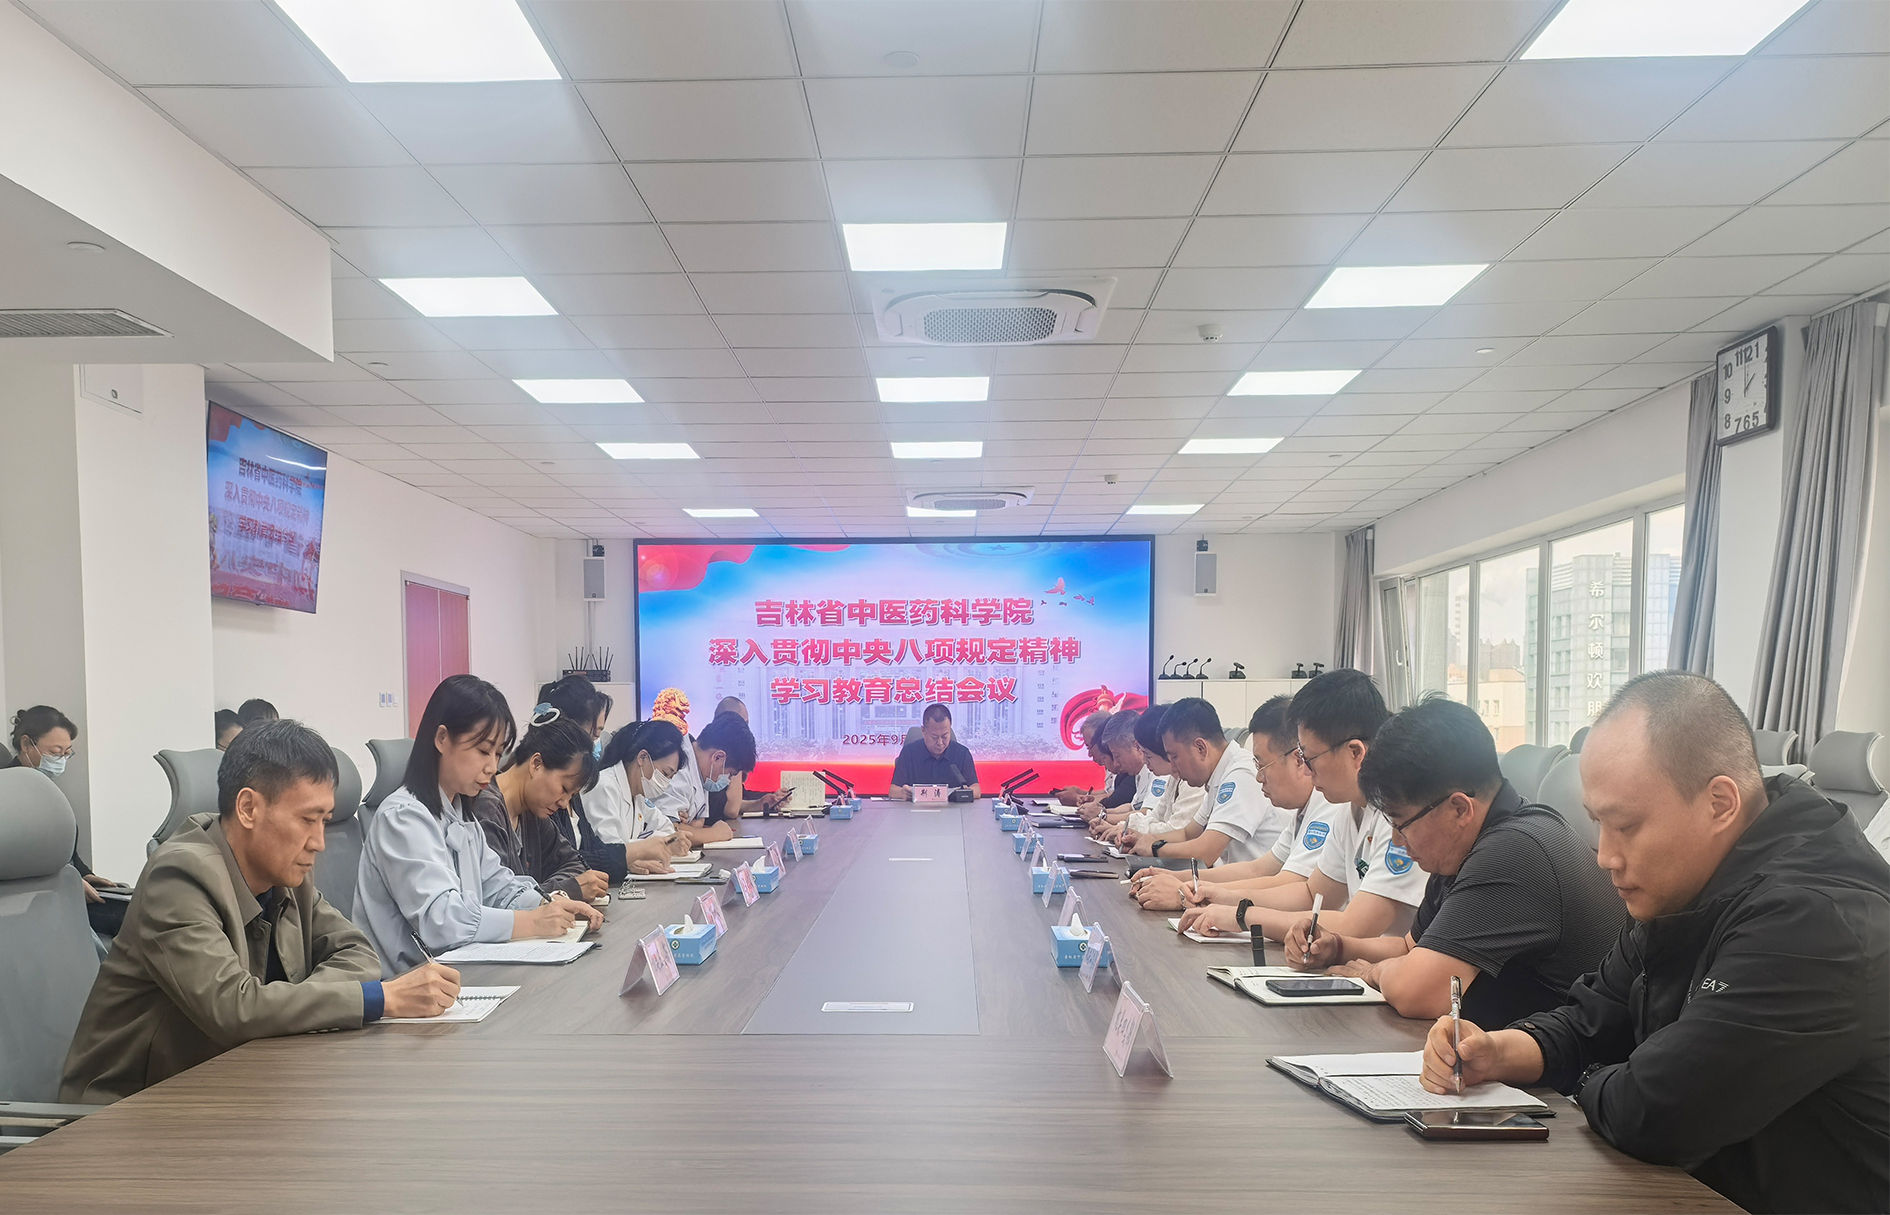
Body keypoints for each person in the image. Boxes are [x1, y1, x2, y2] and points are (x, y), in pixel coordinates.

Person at [1423, 672, 1890, 1213]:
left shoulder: (1815, 923)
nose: (1605, 856)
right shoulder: (1682, 887)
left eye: (1625, 826)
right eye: (1598, 824)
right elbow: (1593, 1017)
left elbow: (1656, 1112)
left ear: (1720, 803)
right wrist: (1500, 1051)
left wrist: (1588, 1078)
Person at [60, 721, 461, 1103]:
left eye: (324, 821)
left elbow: (358, 952)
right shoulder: (179, 877)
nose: (319, 842)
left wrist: (293, 1005)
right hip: (131, 1109)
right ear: (249, 808)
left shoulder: (286, 874)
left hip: (237, 1084)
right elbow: (234, 1008)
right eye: (307, 820)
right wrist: (377, 999)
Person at [1287, 696, 1623, 1024]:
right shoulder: (1467, 842)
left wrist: (1373, 972)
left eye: (1400, 823)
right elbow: (1409, 947)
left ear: (1459, 809)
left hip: (1568, 1059)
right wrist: (1337, 947)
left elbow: (1417, 992)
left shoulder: (1514, 852)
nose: (1397, 840)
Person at [356, 674, 602, 977]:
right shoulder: (402, 817)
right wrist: (531, 922)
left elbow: (499, 888)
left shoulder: (463, 814)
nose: (492, 766)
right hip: (406, 986)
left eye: (498, 754)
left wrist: (548, 903)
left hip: (457, 973)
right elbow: (441, 921)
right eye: (484, 751)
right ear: (442, 738)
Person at [1177, 669, 1427, 943]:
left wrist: (1242, 916)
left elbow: (1355, 925)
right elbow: (1312, 893)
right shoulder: (1350, 808)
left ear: (1355, 752)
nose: (1306, 770)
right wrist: (1222, 897)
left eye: (1309, 758)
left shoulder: (1398, 816)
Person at [1131, 696, 1335, 912]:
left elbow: (1292, 887)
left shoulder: (1243, 775)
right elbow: (1257, 869)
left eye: (1262, 765)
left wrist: (1190, 893)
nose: (1259, 777)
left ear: (1298, 760)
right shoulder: (1304, 808)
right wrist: (1176, 878)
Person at [1118, 698, 1286, 866]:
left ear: (1201, 748)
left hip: (1250, 879)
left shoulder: (1241, 774)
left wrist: (1155, 848)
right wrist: (1144, 839)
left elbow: (1206, 851)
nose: (1173, 767)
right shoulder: (1219, 774)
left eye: (1175, 757)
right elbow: (1188, 833)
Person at [6, 705, 128, 937]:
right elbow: (19, 860)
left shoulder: (47, 789)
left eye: (66, 753)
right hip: (34, 901)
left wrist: (84, 874)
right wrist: (63, 880)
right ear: (26, 744)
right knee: (133, 920)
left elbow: (65, 852)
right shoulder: (8, 791)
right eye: (55, 752)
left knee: (137, 907)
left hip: (64, 891)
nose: (61, 759)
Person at [470, 712, 611, 903]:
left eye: (571, 796)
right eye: (564, 789)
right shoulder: (487, 810)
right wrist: (563, 891)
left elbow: (575, 864)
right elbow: (499, 899)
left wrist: (543, 892)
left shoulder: (532, 813)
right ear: (536, 764)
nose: (564, 803)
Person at [586, 719, 695, 877]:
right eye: (665, 773)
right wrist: (640, 852)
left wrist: (672, 841)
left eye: (671, 777)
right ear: (642, 758)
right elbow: (610, 849)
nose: (666, 783)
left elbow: (667, 829)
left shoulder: (638, 794)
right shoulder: (604, 786)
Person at [647, 708, 759, 844]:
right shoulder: (678, 767)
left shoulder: (701, 770)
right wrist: (715, 833)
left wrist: (690, 827)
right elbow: (668, 834)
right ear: (718, 757)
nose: (729, 780)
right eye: (730, 774)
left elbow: (698, 822)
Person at [889, 703, 979, 800]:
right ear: (923, 731)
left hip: (953, 808)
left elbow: (976, 790)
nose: (940, 742)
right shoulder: (909, 753)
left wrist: (965, 792)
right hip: (915, 808)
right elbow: (893, 791)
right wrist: (902, 793)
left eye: (944, 736)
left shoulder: (962, 753)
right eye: (934, 737)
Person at [1077, 711, 1147, 825]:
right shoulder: (1140, 773)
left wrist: (1102, 816)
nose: (1117, 764)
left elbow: (1147, 813)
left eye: (1117, 756)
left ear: (1137, 747)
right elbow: (1132, 807)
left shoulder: (1155, 771)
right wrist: (1102, 812)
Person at [1056, 711, 1112, 805]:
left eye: (1090, 747)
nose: (1090, 754)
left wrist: (1078, 799)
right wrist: (1082, 793)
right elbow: (1110, 792)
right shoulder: (1110, 762)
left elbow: (1118, 798)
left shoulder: (1124, 764)